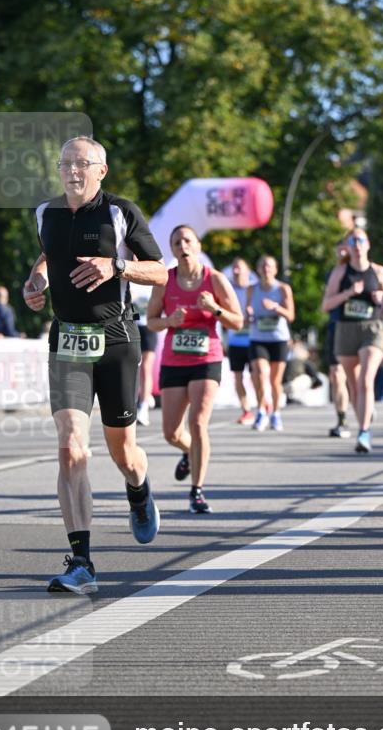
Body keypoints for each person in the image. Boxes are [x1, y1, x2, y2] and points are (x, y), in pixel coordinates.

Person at [23, 136, 166, 594]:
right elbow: (50, 253)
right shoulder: (46, 213)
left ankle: (139, 490)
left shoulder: (120, 213)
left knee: (123, 451)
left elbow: (160, 270)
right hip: (67, 339)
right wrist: (36, 278)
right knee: (70, 446)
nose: (72, 171)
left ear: (101, 171)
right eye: (65, 163)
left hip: (117, 339)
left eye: (82, 164)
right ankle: (81, 560)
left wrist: (117, 267)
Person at [147, 225, 243, 513]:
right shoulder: (165, 281)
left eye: (187, 240)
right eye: (177, 242)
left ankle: (196, 491)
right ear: (173, 249)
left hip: (206, 359)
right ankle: (190, 452)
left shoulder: (215, 280)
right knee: (170, 432)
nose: (183, 246)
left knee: (198, 423)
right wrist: (169, 322)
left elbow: (237, 322)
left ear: (198, 245)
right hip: (174, 361)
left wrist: (214, 309)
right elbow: (151, 320)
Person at [322, 227, 383, 454]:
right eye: (353, 241)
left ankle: (364, 431)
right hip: (346, 328)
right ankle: (363, 417)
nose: (357, 245)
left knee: (366, 380)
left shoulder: (379, 272)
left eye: (361, 240)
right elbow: (326, 305)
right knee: (354, 383)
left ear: (368, 244)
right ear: (348, 247)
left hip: (373, 328)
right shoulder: (340, 272)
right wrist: (349, 293)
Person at [247, 255, 295, 431]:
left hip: (278, 339)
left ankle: (276, 413)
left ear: (275, 270)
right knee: (259, 373)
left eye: (269, 266)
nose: (266, 269)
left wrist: (276, 308)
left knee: (275, 381)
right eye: (262, 266)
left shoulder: (283, 289)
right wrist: (249, 314)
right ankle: (261, 411)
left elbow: (291, 316)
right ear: (258, 269)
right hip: (258, 338)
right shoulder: (252, 289)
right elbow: (247, 313)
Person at [324, 240, 351, 439]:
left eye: (345, 247)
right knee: (336, 373)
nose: (342, 251)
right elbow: (326, 304)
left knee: (356, 376)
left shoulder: (363, 271)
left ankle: (361, 406)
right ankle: (342, 418)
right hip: (336, 326)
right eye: (339, 248)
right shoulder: (333, 274)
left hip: (358, 328)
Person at [227, 257, 255, 425]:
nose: (236, 270)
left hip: (254, 340)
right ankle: (246, 410)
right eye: (234, 267)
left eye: (239, 267)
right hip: (235, 340)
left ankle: (264, 406)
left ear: (247, 270)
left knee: (257, 375)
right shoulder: (228, 288)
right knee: (238, 377)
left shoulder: (254, 288)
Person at [134, 290, 158, 426]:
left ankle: (143, 407)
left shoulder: (152, 277)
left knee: (146, 367)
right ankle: (145, 395)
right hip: (130, 326)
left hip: (148, 327)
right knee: (133, 367)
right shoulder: (125, 272)